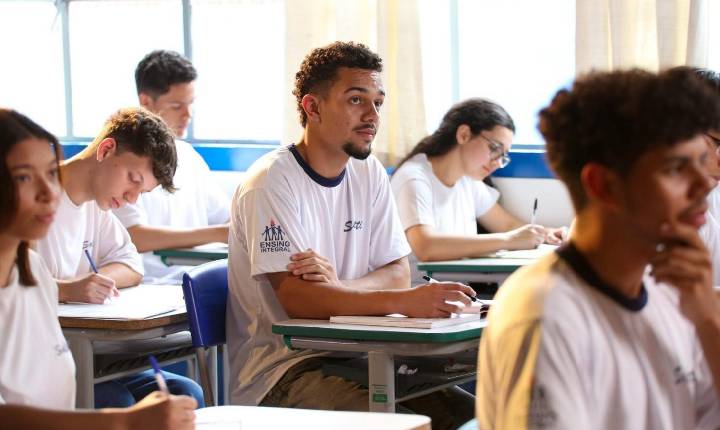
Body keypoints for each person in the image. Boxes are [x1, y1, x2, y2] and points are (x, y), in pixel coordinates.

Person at [227, 41, 475, 430]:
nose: (372, 115)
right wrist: (404, 302)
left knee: (479, 417)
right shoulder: (270, 181)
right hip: (284, 372)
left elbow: (398, 273)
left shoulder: (368, 171)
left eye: (378, 102)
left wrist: (338, 288)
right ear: (313, 107)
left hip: (362, 353)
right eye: (356, 100)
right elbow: (299, 301)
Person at [477, 68, 720, 429]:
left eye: (701, 162)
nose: (704, 183)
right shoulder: (547, 315)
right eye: (676, 168)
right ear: (603, 185)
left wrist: (707, 319)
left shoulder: (673, 295)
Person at [0, 108, 196, 429]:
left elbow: (129, 263)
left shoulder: (31, 272)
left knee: (183, 395)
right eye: (24, 177)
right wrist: (122, 423)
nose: (49, 192)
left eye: (50, 173)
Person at [391, 98, 566, 285]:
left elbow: (506, 224)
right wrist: (509, 240)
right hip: (419, 294)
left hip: (457, 294)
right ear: (464, 135)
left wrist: (545, 234)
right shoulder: (414, 178)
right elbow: (427, 247)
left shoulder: (467, 179)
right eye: (495, 148)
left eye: (503, 155)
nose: (498, 162)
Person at [113, 50, 230, 283]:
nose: (188, 115)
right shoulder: (125, 161)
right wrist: (217, 234)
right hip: (151, 284)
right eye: (176, 106)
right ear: (146, 102)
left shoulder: (189, 156)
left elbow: (228, 219)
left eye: (191, 104)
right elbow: (134, 236)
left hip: (198, 280)